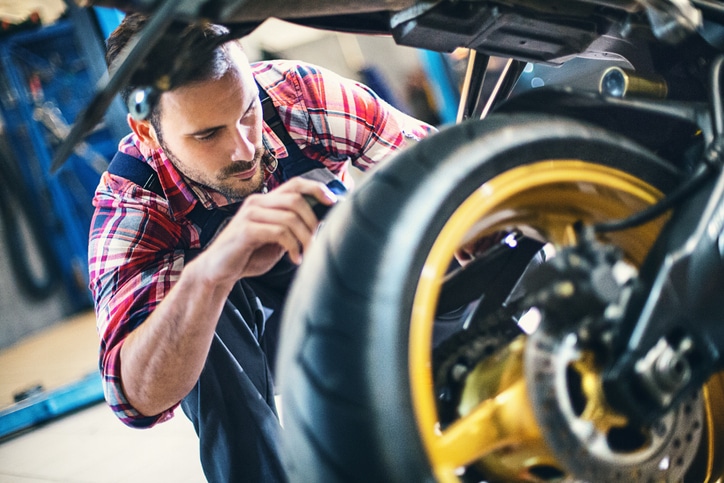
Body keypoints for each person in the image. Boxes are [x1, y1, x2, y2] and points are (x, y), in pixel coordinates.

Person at [88, 13, 434, 483]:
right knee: (185, 306)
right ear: (147, 130)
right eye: (208, 134)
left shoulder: (300, 95)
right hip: (240, 341)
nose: (244, 147)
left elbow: (439, 169)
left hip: (340, 293)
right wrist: (209, 275)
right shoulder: (133, 204)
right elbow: (136, 398)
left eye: (247, 111)